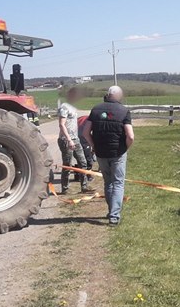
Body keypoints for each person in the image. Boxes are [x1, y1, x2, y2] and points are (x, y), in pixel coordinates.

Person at [82, 86, 134, 226]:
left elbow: (85, 132)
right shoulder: (124, 111)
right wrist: (125, 148)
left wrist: (93, 145)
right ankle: (114, 216)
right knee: (118, 183)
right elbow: (130, 136)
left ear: (108, 95)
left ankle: (112, 211)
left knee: (108, 182)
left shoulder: (95, 109)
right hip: (118, 152)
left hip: (101, 152)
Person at [57, 87, 91, 194]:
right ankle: (65, 189)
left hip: (76, 139)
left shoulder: (73, 108)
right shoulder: (64, 107)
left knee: (83, 163)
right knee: (67, 165)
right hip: (66, 140)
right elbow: (62, 124)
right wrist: (69, 139)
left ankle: (84, 187)